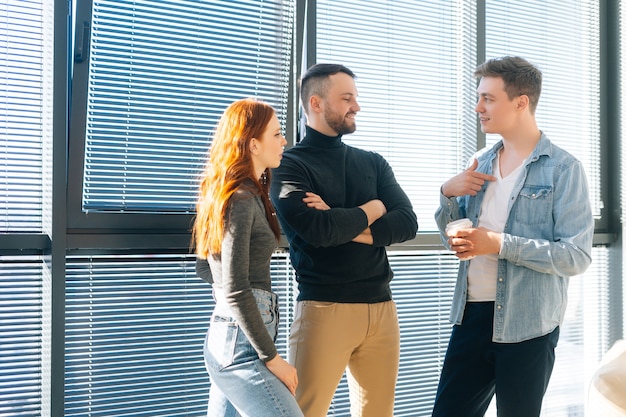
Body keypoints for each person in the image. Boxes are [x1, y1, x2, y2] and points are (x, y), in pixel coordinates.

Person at [432, 56, 594, 417]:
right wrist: (447, 194)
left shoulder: (563, 169)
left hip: (529, 325)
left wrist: (500, 244)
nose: (478, 107)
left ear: (521, 102)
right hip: (471, 319)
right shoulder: (480, 162)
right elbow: (458, 243)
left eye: (488, 98)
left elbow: (576, 256)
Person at [270, 63, 418, 417]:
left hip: (382, 309)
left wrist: (338, 215)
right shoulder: (287, 165)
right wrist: (375, 206)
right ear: (317, 103)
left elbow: (407, 223)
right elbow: (320, 232)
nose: (357, 106)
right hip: (324, 310)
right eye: (347, 98)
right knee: (303, 412)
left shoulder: (373, 162)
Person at [193, 98, 304, 417]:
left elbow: (207, 269)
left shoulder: (238, 194)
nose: (284, 141)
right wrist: (274, 360)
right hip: (240, 347)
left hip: (232, 336)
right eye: (277, 134)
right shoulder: (241, 198)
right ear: (253, 144)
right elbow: (236, 286)